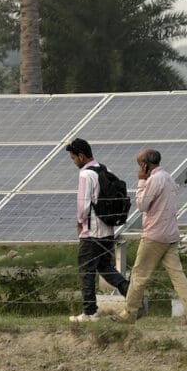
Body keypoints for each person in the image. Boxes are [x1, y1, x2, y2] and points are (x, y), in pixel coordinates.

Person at [121, 147, 187, 325]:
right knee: (177, 275)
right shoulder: (168, 178)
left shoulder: (154, 180)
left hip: (154, 235)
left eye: (140, 165)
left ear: (145, 165)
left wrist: (141, 181)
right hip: (170, 235)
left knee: (139, 275)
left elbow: (142, 205)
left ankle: (129, 313)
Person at [64, 138, 128, 322]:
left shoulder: (86, 175)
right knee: (105, 267)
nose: (73, 161)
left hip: (91, 232)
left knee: (86, 270)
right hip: (108, 229)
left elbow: (83, 204)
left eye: (73, 158)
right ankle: (133, 296)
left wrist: (79, 222)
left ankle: (89, 312)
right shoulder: (106, 170)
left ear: (81, 156)